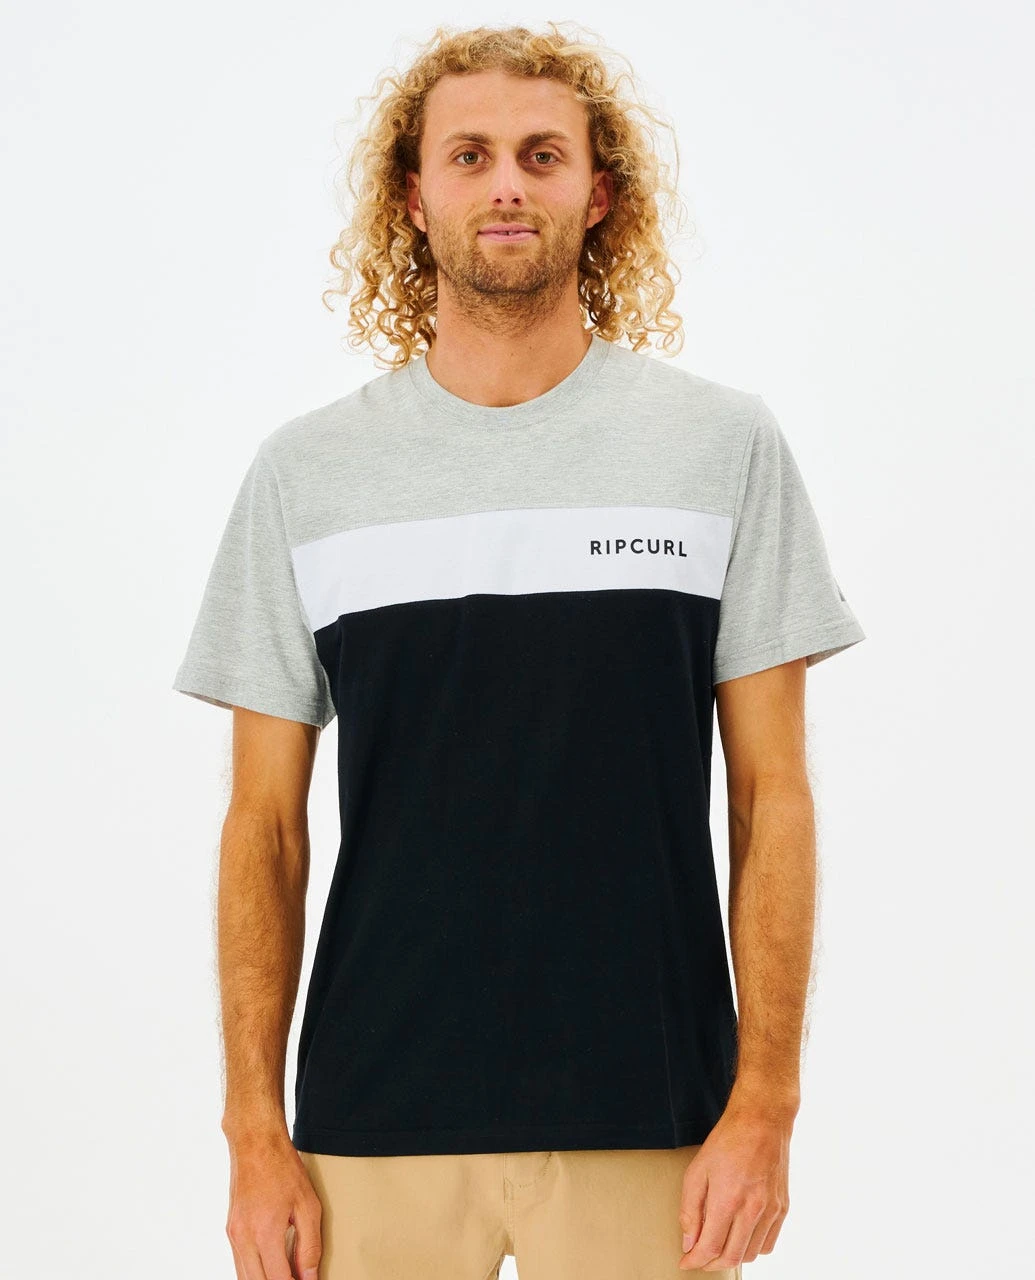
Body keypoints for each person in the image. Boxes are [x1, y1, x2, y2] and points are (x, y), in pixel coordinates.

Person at [172, 21, 865, 1280]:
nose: (506, 183)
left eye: (542, 155)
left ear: (598, 196)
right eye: (471, 154)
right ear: (413, 195)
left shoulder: (718, 448)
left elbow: (774, 797)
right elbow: (262, 827)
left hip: (654, 1120)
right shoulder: (308, 474)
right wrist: (253, 1132)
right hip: (369, 1127)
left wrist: (765, 1104)